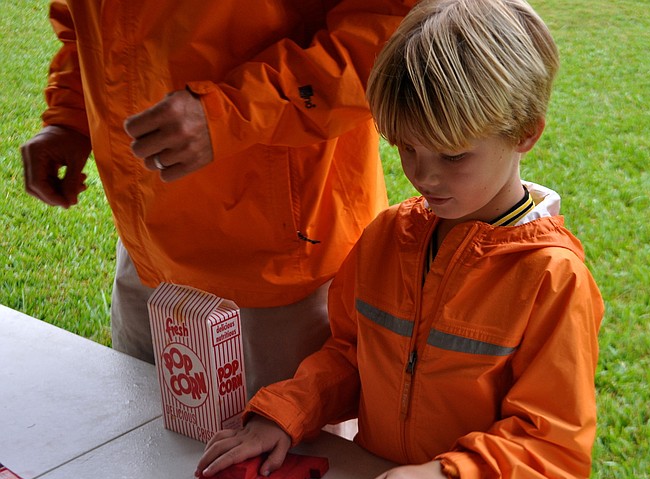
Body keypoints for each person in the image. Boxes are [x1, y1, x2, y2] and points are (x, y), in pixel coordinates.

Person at [197, 0, 604, 479]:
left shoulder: (552, 278)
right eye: (407, 148)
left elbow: (554, 445)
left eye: (453, 155)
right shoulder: (387, 236)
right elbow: (349, 354)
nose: (423, 176)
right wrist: (284, 413)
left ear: (526, 132)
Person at [20, 0, 416, 399]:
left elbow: (390, 31)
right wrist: (69, 119)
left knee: (287, 453)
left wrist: (233, 112)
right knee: (141, 440)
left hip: (282, 266)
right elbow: (85, 20)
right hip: (147, 255)